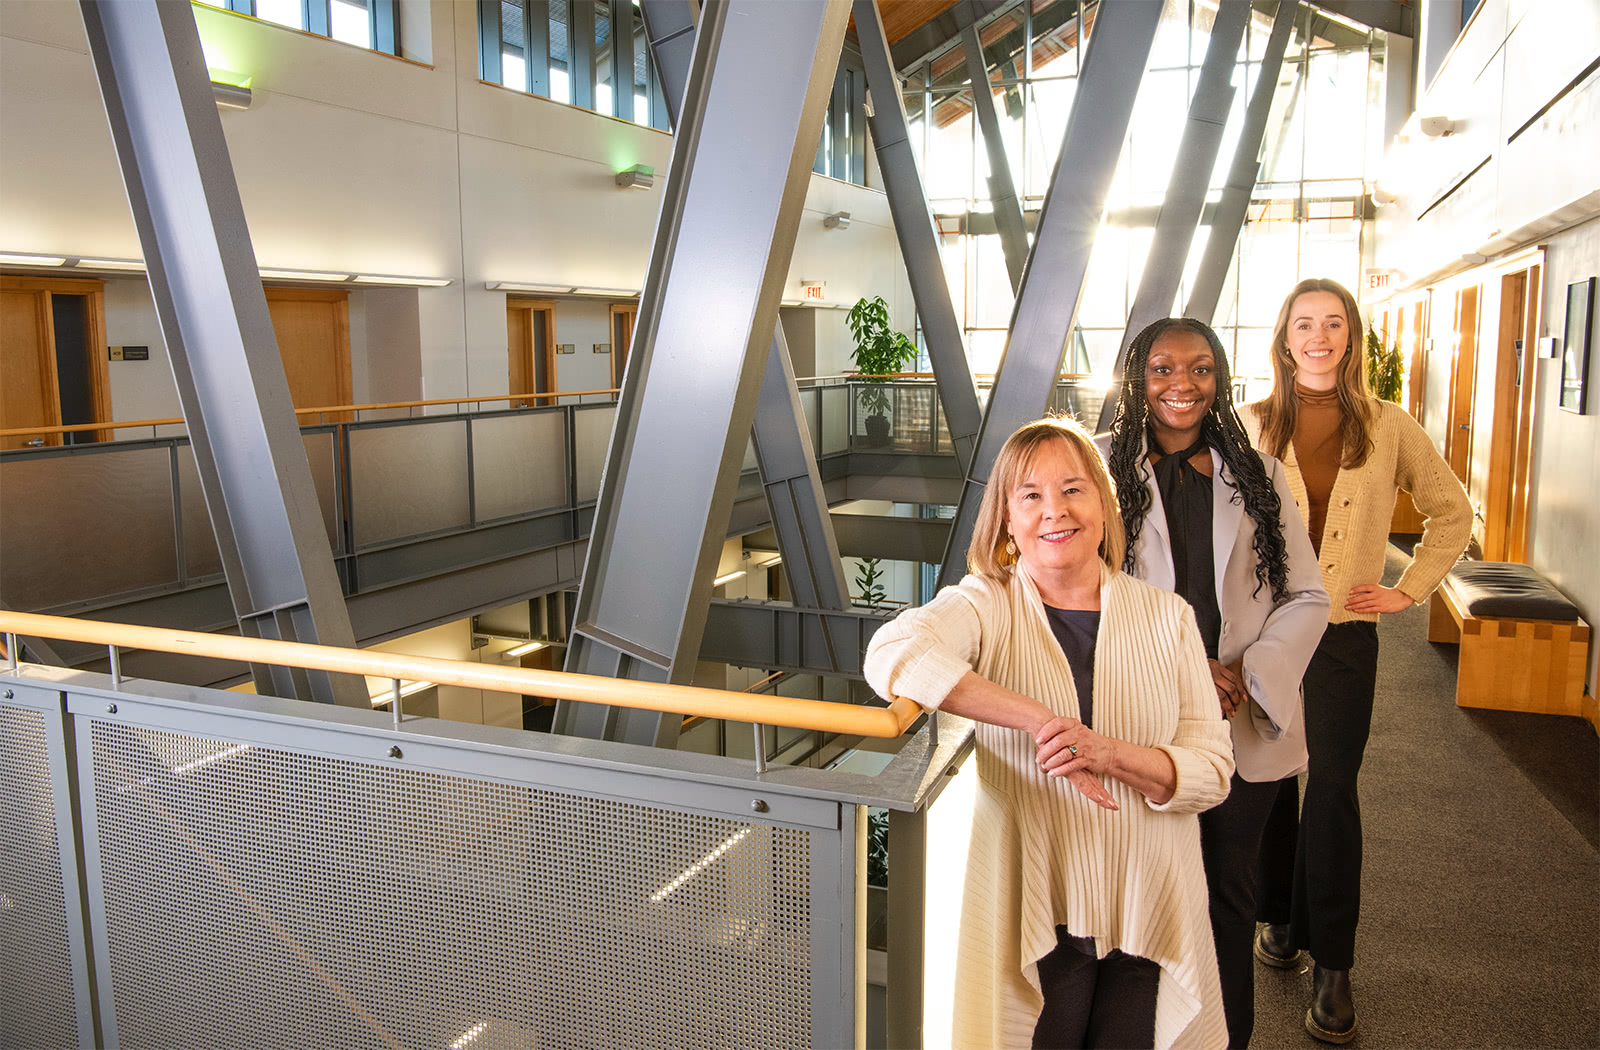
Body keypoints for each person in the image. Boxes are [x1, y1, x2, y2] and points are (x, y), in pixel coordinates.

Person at [863, 417, 1233, 1050]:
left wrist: (1107, 753)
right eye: (1029, 495)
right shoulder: (986, 601)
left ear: (1103, 505)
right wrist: (1042, 721)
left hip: (1146, 901)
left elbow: (1213, 772)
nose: (1053, 511)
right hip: (1037, 904)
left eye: (1072, 489)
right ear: (1007, 520)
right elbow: (892, 652)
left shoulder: (1168, 616)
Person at [1244, 278, 1471, 1044]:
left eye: (1333, 323)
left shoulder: (1389, 425)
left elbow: (1453, 510)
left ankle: (1334, 968)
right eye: (1304, 323)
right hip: (1265, 636)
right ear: (1284, 338)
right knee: (1273, 782)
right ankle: (1278, 918)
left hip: (1343, 635)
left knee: (1333, 788)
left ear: (1351, 337)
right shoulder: (1248, 426)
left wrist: (1411, 590)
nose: (1318, 336)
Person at [1097, 317, 1329, 1048]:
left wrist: (1243, 673)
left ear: (1220, 379)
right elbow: (1075, 595)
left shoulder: (1259, 473)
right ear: (1137, 378)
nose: (1182, 386)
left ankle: (1224, 1041)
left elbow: (1307, 596)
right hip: (1140, 720)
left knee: (1227, 897)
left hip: (1240, 726)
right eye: (1163, 369)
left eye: (1200, 370)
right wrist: (1184, 664)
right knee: (1139, 899)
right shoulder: (1096, 467)